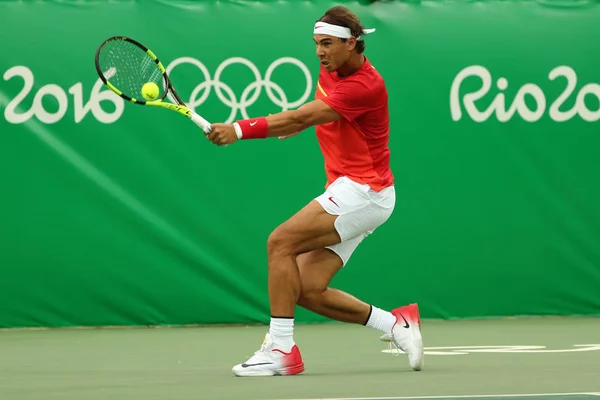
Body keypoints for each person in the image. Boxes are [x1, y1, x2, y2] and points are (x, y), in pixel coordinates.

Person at [205, 5, 424, 377]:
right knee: (305, 288)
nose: (320, 52)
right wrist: (301, 123)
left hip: (364, 191)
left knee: (280, 243)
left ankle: (280, 349)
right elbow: (315, 111)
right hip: (351, 188)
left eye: (327, 44)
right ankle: (395, 325)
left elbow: (303, 115)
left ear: (352, 43)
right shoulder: (331, 68)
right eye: (316, 44)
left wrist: (239, 130)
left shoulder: (365, 84)